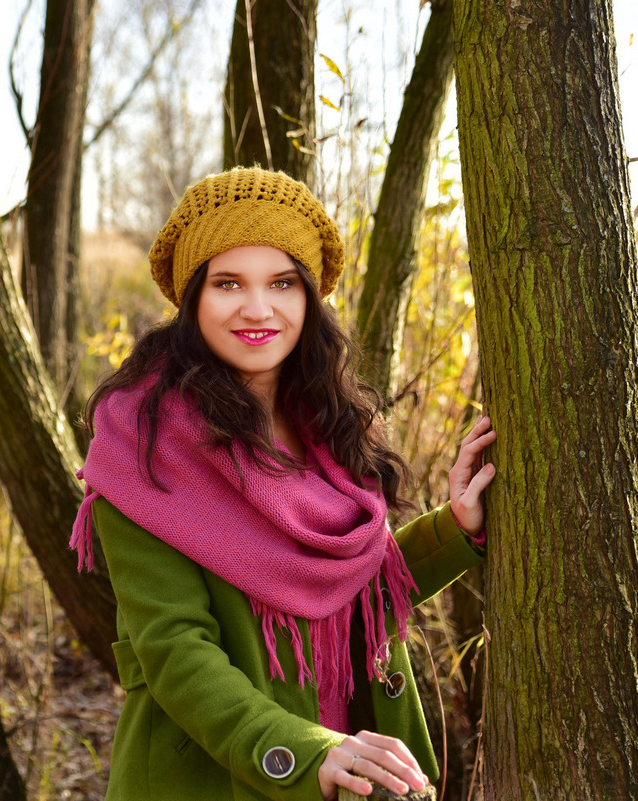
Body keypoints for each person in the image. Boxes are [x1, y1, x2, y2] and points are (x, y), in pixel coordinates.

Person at [69, 167, 496, 801]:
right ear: (193, 299)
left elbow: (347, 587)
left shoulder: (328, 422)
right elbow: (176, 651)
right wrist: (308, 752)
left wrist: (454, 527)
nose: (258, 308)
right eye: (228, 284)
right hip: (227, 773)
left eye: (281, 283)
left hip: (357, 758)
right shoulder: (143, 444)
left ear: (308, 297)